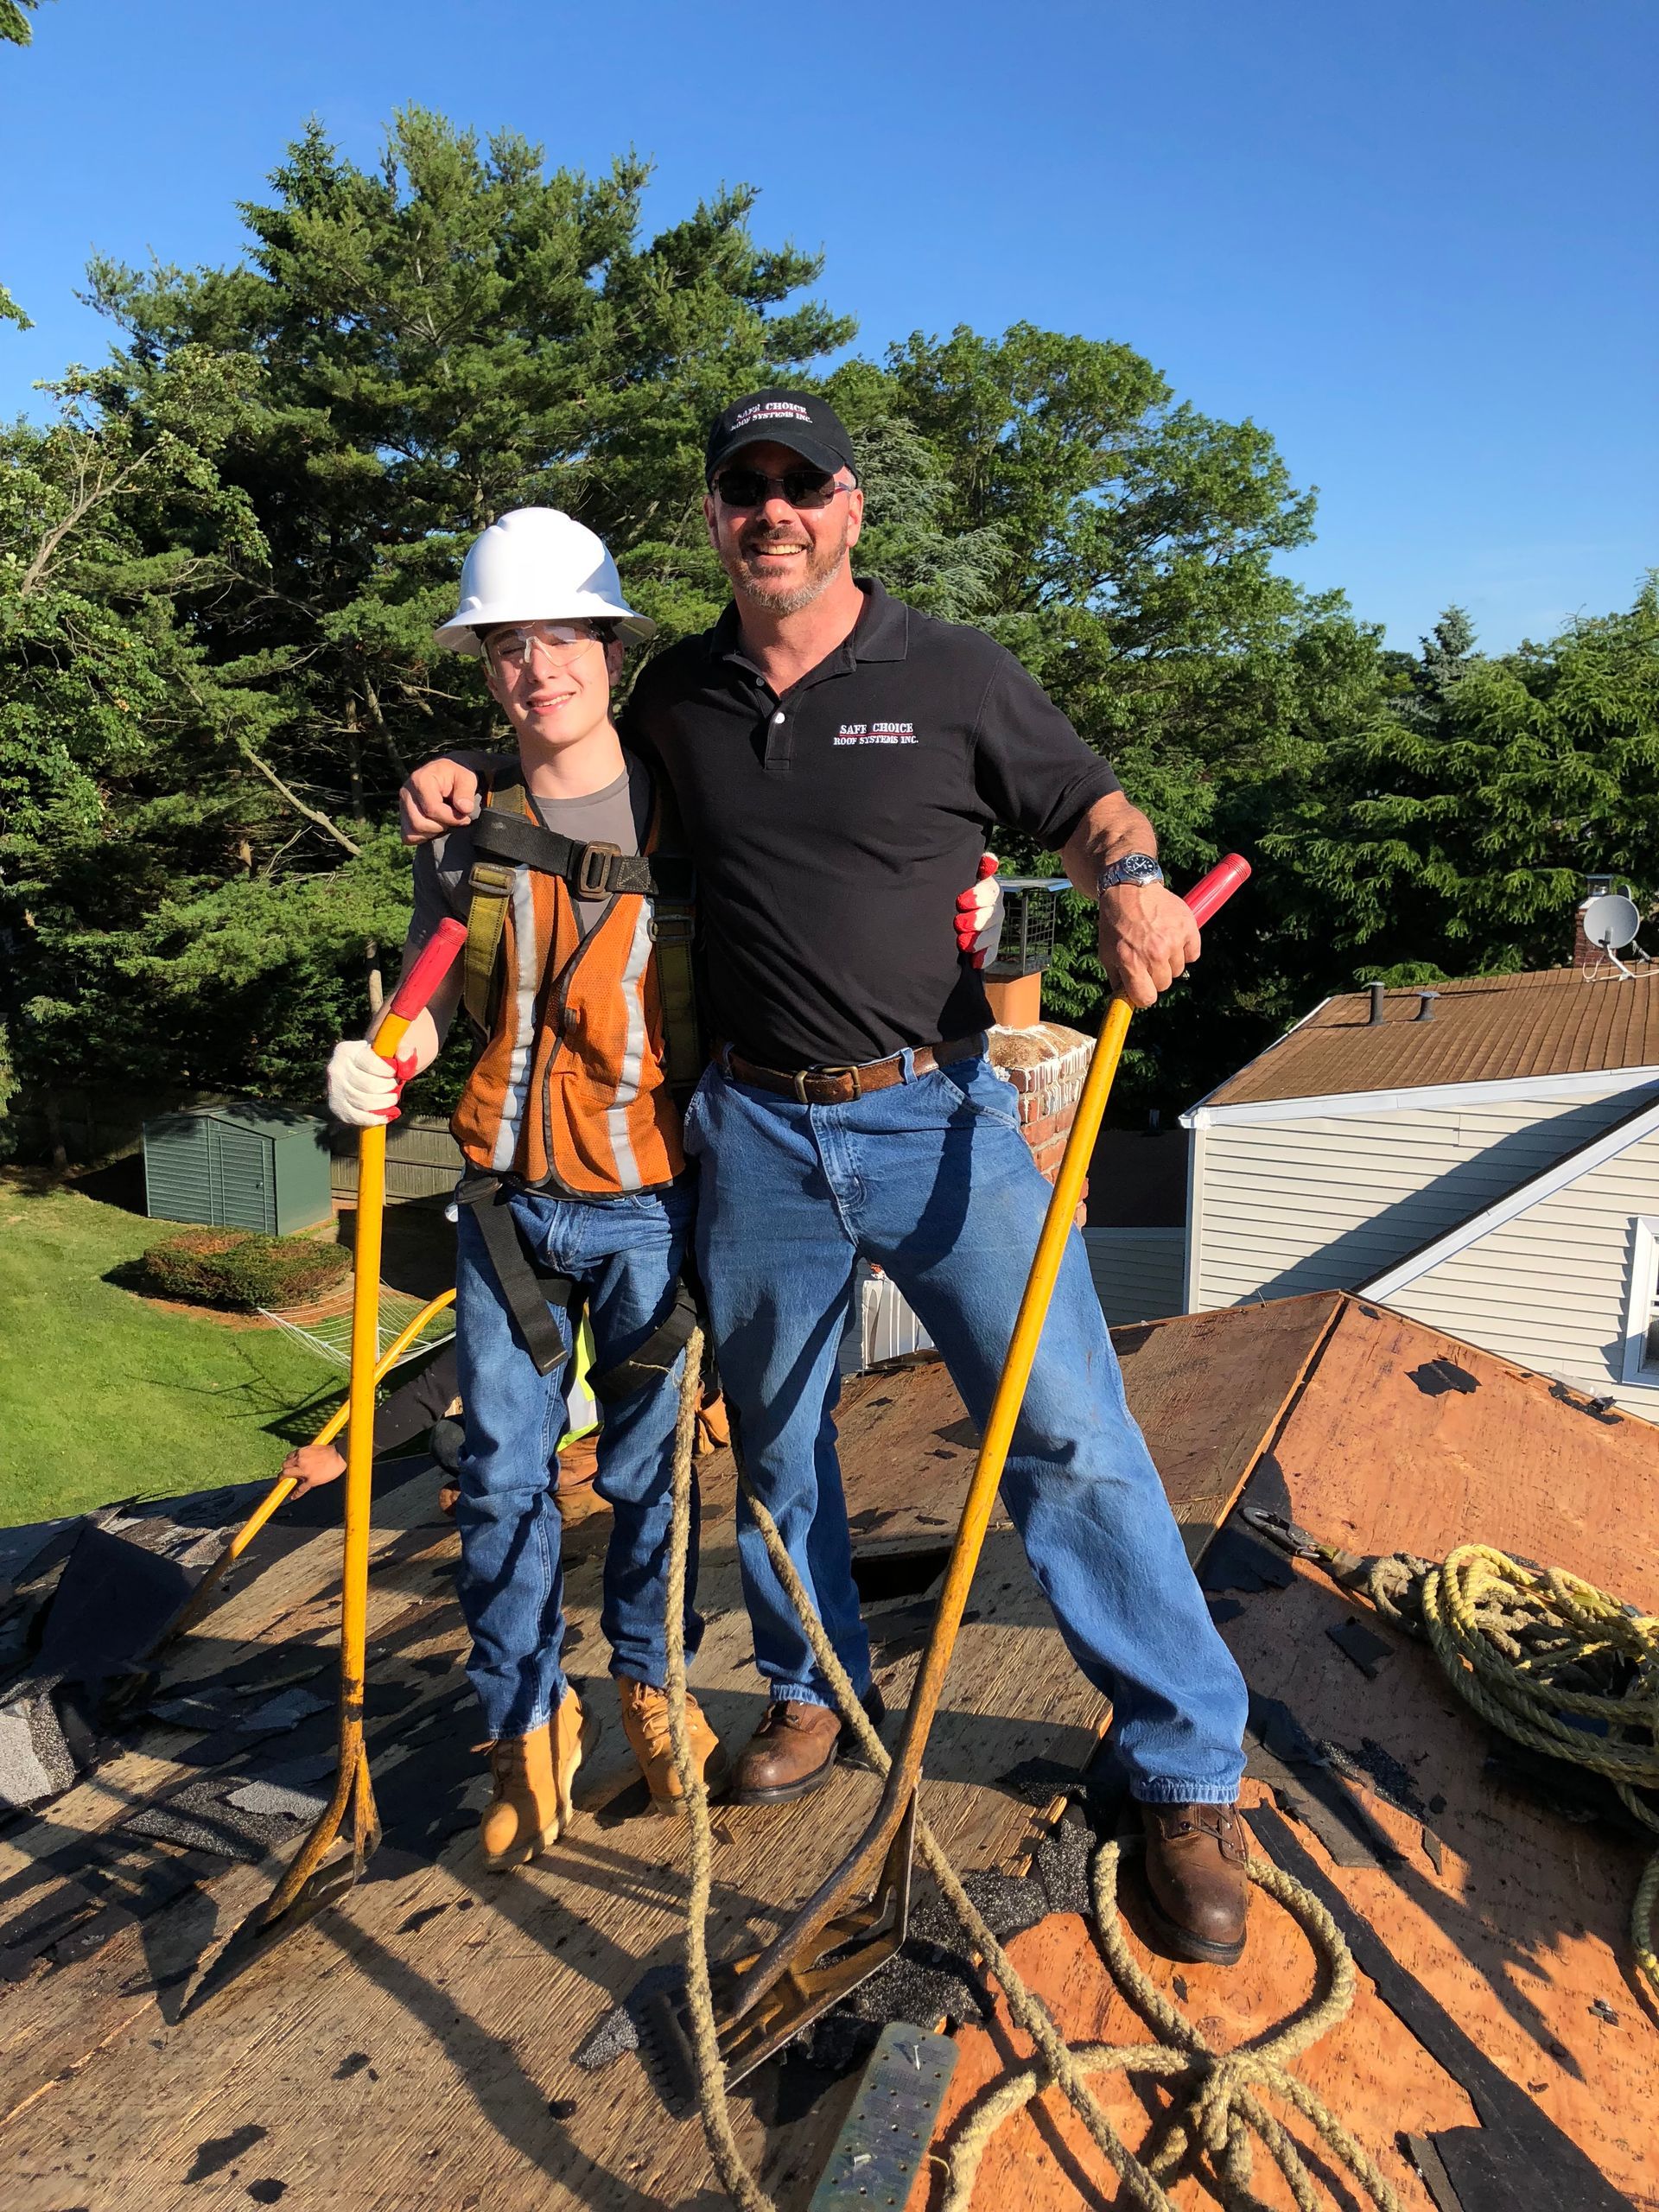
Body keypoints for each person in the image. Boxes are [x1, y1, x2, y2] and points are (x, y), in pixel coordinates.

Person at [399, 393, 1251, 1964]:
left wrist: (1130, 884)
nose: (773, 510)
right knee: (782, 1448)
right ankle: (811, 1694)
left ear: (851, 509)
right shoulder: (679, 693)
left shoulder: (951, 670)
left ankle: (1187, 1770)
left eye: (803, 485)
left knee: (1066, 1428)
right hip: (753, 1135)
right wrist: (461, 761)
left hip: (933, 1120)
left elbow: (1088, 807)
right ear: (718, 517)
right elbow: (560, 743)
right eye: (746, 487)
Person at [327, 505, 1003, 1870]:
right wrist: (379, 1058)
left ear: (611, 643)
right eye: (507, 647)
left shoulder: (689, 794)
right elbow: (431, 987)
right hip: (507, 1212)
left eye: (561, 637)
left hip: (652, 1202)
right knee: (505, 1484)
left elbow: (850, 851)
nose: (537, 668)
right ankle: (525, 1724)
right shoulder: (464, 827)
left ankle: (649, 1685)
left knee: (648, 1483)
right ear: (486, 668)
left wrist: (988, 914)